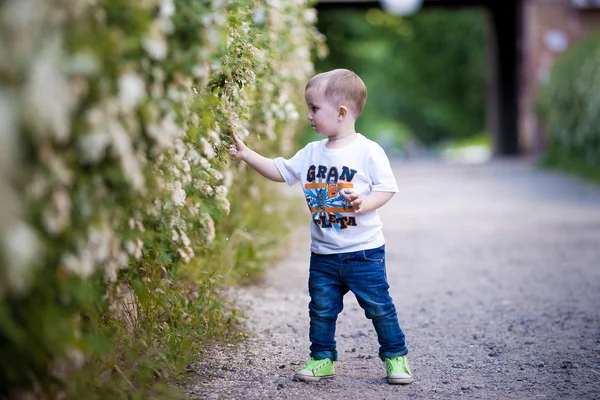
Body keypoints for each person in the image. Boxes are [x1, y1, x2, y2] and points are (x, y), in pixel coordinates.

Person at [228, 68, 413, 385]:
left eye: (314, 108)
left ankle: (396, 357)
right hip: (324, 254)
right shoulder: (311, 153)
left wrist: (366, 203)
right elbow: (279, 170)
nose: (309, 116)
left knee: (379, 308)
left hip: (364, 253)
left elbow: (387, 187)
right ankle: (322, 358)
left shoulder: (368, 151)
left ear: (341, 112)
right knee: (322, 311)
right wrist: (247, 155)